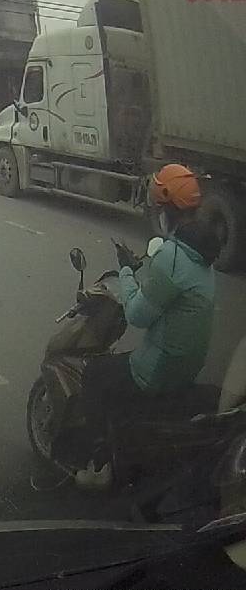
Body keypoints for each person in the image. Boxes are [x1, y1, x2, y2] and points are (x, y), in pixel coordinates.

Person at [78, 164, 220, 488]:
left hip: (156, 371)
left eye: (159, 208)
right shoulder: (202, 255)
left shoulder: (172, 256)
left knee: (94, 373)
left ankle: (99, 465)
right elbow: (167, 293)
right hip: (186, 368)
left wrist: (126, 271)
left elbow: (137, 315)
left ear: (168, 210)